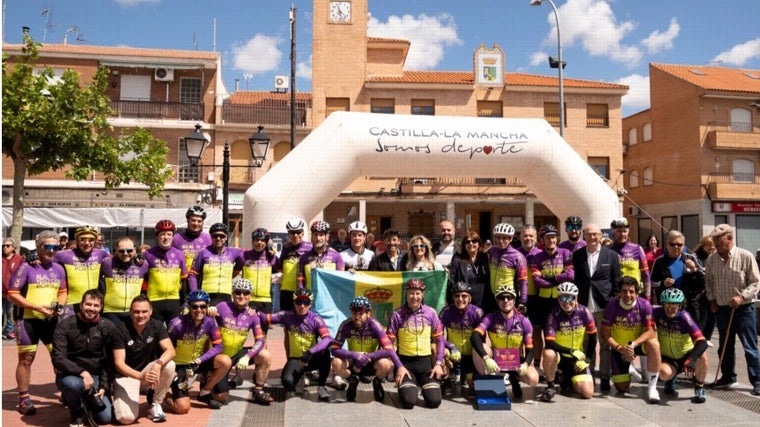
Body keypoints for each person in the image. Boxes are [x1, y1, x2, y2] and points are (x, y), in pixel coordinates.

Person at [7, 230, 67, 416]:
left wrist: (60, 306)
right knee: (26, 360)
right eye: (48, 247)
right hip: (27, 320)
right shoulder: (26, 267)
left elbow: (63, 291)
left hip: (51, 320)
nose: (52, 251)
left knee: (59, 359)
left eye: (55, 247)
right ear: (38, 246)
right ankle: (24, 399)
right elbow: (12, 294)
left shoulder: (58, 268)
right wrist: (37, 307)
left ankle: (67, 391)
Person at [704, 224, 760, 395]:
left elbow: (756, 282)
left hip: (744, 309)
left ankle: (757, 380)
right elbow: (709, 283)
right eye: (713, 240)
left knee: (749, 347)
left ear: (729, 238)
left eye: (718, 240)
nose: (715, 244)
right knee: (725, 346)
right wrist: (712, 300)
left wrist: (741, 296)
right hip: (722, 309)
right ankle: (728, 377)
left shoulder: (745, 256)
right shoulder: (711, 260)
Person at [52, 290, 116, 427]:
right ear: (81, 304)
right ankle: (76, 411)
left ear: (101, 307)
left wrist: (104, 385)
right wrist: (82, 372)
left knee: (105, 418)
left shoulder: (108, 326)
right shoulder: (65, 325)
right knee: (73, 385)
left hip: (97, 376)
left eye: (96, 305)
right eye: (88, 304)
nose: (91, 308)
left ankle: (86, 399)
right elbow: (58, 357)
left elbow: (109, 360)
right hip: (72, 374)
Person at [572, 223, 622, 392]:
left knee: (605, 343)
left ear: (601, 236)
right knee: (587, 343)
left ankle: (605, 377)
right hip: (584, 306)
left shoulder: (611, 256)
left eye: (595, 234)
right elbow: (575, 280)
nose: (592, 237)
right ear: (583, 236)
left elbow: (617, 281)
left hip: (604, 305)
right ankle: (589, 374)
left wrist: (613, 302)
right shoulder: (577, 255)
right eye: (589, 234)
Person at [112, 295, 177, 423]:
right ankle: (123, 398)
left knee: (169, 364)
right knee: (126, 419)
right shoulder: (120, 330)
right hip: (126, 376)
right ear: (130, 312)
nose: (140, 315)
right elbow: (119, 363)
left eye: (144, 311)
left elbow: (170, 350)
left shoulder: (157, 325)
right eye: (136, 311)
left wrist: (158, 364)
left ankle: (155, 403)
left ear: (150, 312)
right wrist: (140, 376)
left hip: (147, 373)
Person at [210, 278, 274, 405]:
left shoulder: (252, 315)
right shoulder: (223, 307)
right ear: (232, 293)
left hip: (237, 353)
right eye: (238, 292)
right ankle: (207, 379)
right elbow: (202, 321)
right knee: (222, 397)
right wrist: (208, 310)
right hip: (220, 357)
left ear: (251, 296)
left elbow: (260, 340)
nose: (241, 296)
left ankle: (258, 390)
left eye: (246, 293)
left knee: (265, 355)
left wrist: (248, 357)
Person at [470, 285, 539, 400]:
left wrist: (526, 364)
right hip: (496, 361)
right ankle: (490, 381)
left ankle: (514, 378)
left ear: (514, 300)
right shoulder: (490, 318)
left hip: (516, 361)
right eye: (502, 298)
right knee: (479, 348)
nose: (506, 300)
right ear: (497, 301)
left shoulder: (524, 321)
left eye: (509, 297)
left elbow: (530, 349)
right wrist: (486, 358)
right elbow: (474, 336)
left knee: (533, 379)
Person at [330, 296, 404, 402]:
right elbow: (334, 349)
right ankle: (352, 381)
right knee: (335, 362)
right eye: (354, 313)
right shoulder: (346, 325)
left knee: (386, 364)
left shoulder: (375, 325)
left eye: (361, 314)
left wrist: (367, 356)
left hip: (370, 360)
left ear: (368, 313)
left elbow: (389, 349)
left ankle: (377, 382)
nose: (357, 317)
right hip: (354, 361)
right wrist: (355, 355)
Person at [167, 290, 231, 410]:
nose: (199, 310)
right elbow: (165, 348)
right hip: (178, 366)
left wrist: (200, 360)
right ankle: (161, 395)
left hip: (196, 363)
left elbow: (219, 346)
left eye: (202, 306)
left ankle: (205, 392)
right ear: (189, 307)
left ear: (207, 307)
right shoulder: (176, 324)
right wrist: (169, 369)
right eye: (194, 306)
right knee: (182, 408)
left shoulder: (210, 322)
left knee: (225, 361)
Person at [265, 288, 333, 401]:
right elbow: (265, 317)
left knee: (325, 352)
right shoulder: (286, 315)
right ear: (294, 303)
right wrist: (249, 312)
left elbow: (328, 339)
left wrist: (310, 351)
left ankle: (321, 386)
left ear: (310, 304)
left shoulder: (316, 319)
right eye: (299, 302)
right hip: (296, 359)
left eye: (306, 303)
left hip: (311, 357)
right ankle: (300, 376)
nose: (302, 306)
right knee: (287, 382)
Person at [386, 278, 445, 409]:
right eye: (411, 293)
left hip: (425, 365)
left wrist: (439, 363)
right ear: (406, 294)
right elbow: (388, 344)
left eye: (418, 293)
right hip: (405, 365)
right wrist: (399, 366)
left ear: (423, 295)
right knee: (409, 402)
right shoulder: (397, 314)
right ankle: (409, 387)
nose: (414, 297)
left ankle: (421, 386)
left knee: (435, 402)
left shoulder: (431, 313)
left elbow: (439, 340)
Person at [601, 276, 662, 403]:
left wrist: (633, 345)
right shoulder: (611, 306)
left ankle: (652, 388)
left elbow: (650, 331)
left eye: (631, 291)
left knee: (654, 344)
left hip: (638, 344)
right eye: (624, 291)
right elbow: (605, 333)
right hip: (620, 347)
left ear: (637, 293)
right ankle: (628, 367)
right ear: (618, 293)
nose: (627, 295)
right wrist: (619, 348)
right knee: (621, 388)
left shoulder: (645, 305)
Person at [538, 282, 597, 401]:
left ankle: (566, 379)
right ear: (558, 299)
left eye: (570, 297)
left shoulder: (584, 312)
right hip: (560, 356)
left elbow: (593, 338)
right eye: (563, 297)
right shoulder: (554, 314)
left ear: (576, 298)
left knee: (587, 393)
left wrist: (588, 360)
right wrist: (570, 351)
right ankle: (551, 386)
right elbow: (549, 342)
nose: (566, 301)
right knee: (548, 353)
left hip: (576, 358)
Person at [530, 224, 574, 377]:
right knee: (537, 333)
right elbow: (537, 281)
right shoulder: (537, 257)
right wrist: (558, 278)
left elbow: (570, 276)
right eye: (548, 237)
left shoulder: (565, 253)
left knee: (558, 332)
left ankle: (558, 366)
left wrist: (550, 278)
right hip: (542, 300)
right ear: (542, 240)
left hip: (560, 301)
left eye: (554, 237)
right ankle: (537, 365)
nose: (551, 240)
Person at [654, 288, 709, 403]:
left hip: (686, 354)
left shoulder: (684, 317)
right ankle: (671, 378)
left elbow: (702, 341)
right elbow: (640, 306)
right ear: (662, 304)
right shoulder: (658, 312)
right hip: (669, 358)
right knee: (663, 374)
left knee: (703, 356)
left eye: (674, 305)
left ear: (680, 305)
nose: (670, 308)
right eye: (667, 304)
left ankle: (699, 386)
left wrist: (692, 359)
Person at [438, 282, 484, 392]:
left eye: (464, 296)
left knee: (473, 387)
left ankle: (467, 375)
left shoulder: (477, 312)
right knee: (437, 347)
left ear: (470, 298)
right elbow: (438, 336)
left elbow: (482, 339)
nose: (460, 299)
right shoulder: (446, 311)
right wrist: (451, 346)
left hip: (470, 356)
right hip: (453, 354)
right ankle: (446, 378)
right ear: (453, 298)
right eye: (457, 296)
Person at [651, 230, 704, 321]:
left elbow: (702, 282)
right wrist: (663, 283)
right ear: (667, 244)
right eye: (672, 244)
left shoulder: (691, 258)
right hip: (668, 307)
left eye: (679, 245)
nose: (676, 247)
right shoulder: (660, 261)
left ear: (683, 245)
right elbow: (652, 282)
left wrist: (694, 270)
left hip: (688, 307)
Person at [53, 225, 109, 312]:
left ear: (95, 241)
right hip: (71, 303)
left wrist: (136, 258)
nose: (87, 243)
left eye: (91, 240)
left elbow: (118, 259)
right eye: (82, 239)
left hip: (92, 303)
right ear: (76, 240)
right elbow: (45, 260)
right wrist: (34, 258)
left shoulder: (101, 254)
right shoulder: (63, 255)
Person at [144, 220, 189, 324]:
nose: (166, 237)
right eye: (162, 234)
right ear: (157, 236)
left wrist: (185, 301)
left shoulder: (179, 254)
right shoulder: (148, 254)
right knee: (155, 334)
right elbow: (144, 279)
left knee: (174, 333)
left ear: (173, 236)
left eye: (169, 234)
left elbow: (184, 279)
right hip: (153, 300)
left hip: (174, 300)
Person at [188, 223, 244, 305]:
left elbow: (246, 257)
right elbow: (192, 274)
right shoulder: (203, 252)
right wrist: (195, 293)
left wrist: (269, 248)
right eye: (215, 236)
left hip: (226, 295)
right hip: (207, 295)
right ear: (211, 237)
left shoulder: (233, 252)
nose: (218, 238)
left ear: (226, 237)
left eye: (222, 236)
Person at [100, 236, 149, 325]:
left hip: (133, 311)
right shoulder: (107, 263)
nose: (125, 253)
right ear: (116, 250)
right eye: (121, 251)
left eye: (129, 250)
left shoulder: (143, 264)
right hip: (111, 311)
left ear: (135, 249)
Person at [487, 223, 528, 313]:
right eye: (498, 237)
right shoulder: (492, 251)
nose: (501, 241)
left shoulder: (517, 256)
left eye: (504, 238)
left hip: (507, 298)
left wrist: (523, 301)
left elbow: (523, 280)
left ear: (511, 239)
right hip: (492, 297)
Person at [173, 206, 212, 300]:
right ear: (188, 220)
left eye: (199, 221)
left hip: (201, 280)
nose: (196, 223)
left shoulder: (208, 239)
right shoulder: (177, 238)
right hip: (182, 282)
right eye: (193, 220)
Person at [609, 217, 651, 301]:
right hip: (616, 296)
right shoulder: (608, 251)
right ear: (613, 232)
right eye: (619, 231)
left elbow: (646, 275)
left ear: (628, 233)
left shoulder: (637, 249)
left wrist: (647, 297)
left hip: (634, 295)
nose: (622, 234)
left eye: (625, 231)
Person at [275, 217, 312, 311]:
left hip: (305, 290)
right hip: (287, 290)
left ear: (303, 233)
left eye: (298, 232)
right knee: (286, 321)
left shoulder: (310, 247)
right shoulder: (286, 247)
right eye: (292, 232)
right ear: (288, 234)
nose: (296, 235)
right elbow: (280, 266)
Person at [447, 231, 491, 309]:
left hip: (484, 302)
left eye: (474, 241)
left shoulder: (486, 258)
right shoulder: (458, 259)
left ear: (478, 243)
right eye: (467, 242)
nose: (471, 244)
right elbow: (452, 281)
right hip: (465, 303)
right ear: (464, 245)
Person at [298, 220, 345, 290]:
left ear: (327, 237)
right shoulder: (304, 258)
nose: (318, 238)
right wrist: (301, 292)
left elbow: (341, 281)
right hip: (310, 299)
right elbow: (300, 279)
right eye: (315, 234)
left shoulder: (336, 257)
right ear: (311, 236)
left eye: (321, 235)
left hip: (329, 299)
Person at [242, 228, 279, 313]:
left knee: (263, 326)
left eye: (262, 240)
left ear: (266, 243)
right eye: (256, 240)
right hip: (247, 298)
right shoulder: (244, 255)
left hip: (266, 300)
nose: (259, 242)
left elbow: (284, 271)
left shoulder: (271, 257)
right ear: (252, 241)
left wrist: (272, 246)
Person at [692, 235, 716, 344]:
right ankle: (700, 338)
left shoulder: (715, 257)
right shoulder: (695, 256)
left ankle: (707, 337)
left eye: (713, 245)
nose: (712, 247)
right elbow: (695, 271)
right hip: (700, 293)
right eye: (709, 245)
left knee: (712, 316)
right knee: (702, 316)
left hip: (713, 291)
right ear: (703, 245)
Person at [3, 237, 24, 340]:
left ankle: (10, 332)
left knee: (10, 312)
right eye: (3, 246)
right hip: (1, 292)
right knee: (1, 312)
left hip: (13, 292)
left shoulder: (19, 259)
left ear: (13, 247)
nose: (4, 247)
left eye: (7, 246)